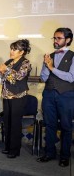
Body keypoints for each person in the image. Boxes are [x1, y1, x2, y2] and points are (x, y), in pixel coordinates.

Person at [37, 27, 74, 167]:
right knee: (50, 125)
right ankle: (49, 153)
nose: (55, 41)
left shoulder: (73, 56)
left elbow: (71, 77)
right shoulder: (50, 56)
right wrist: (46, 66)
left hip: (67, 96)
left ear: (68, 40)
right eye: (54, 38)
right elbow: (44, 77)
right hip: (49, 95)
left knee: (66, 126)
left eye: (59, 38)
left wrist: (52, 68)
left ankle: (65, 156)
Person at [0, 39, 32, 158]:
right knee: (7, 123)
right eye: (11, 48)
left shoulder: (25, 63)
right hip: (6, 96)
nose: (11, 51)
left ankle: (15, 150)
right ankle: (7, 147)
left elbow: (17, 77)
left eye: (14, 49)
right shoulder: (9, 62)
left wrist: (5, 70)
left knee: (15, 123)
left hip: (18, 97)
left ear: (21, 52)